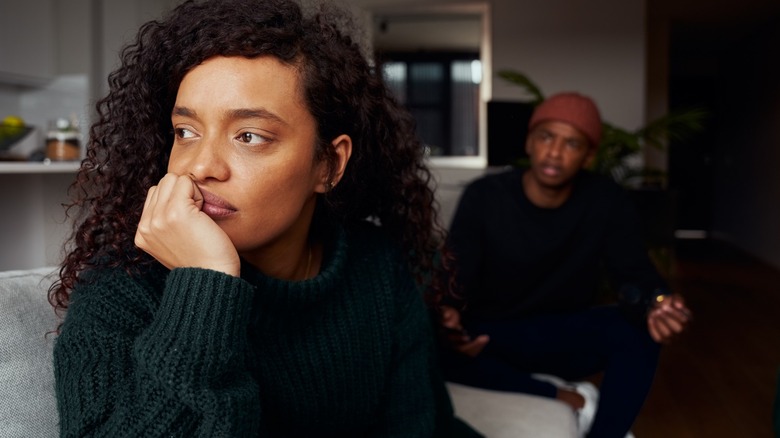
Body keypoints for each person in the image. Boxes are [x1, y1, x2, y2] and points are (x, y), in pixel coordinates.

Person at [48, 0, 477, 436]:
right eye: (186, 132)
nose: (199, 167)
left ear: (328, 164)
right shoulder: (119, 284)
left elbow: (422, 426)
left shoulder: (378, 269)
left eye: (249, 136)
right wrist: (204, 285)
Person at [439, 92, 692, 438]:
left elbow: (633, 273)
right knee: (428, 339)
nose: (555, 152)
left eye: (572, 144)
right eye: (546, 137)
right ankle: (558, 394)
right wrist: (448, 317)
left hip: (561, 333)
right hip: (492, 335)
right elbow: (457, 275)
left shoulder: (606, 200)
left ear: (588, 157)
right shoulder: (485, 196)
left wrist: (658, 302)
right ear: (529, 142)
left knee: (638, 329)